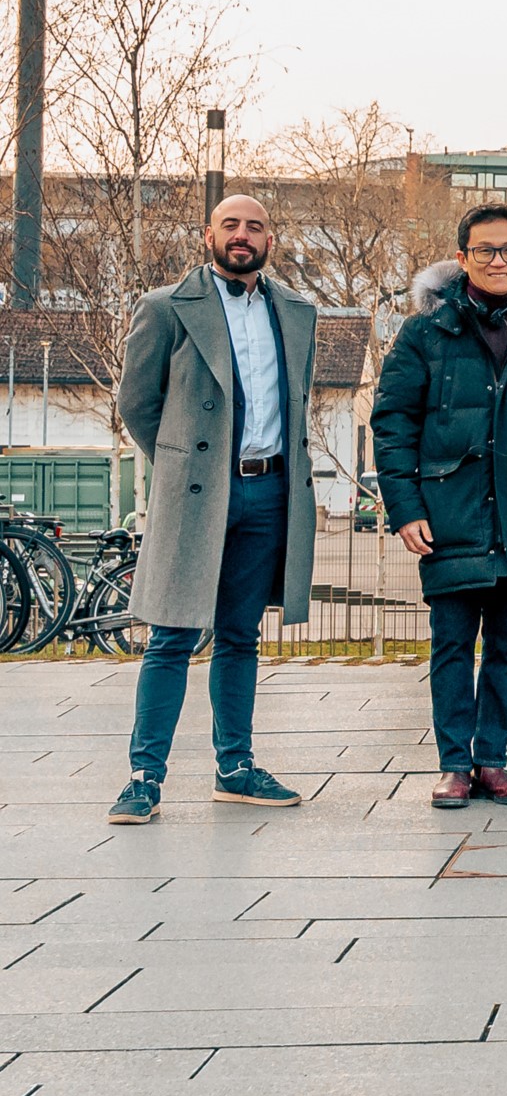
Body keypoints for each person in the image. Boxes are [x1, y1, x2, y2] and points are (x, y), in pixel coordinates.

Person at [105, 195, 322, 827]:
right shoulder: (165, 307)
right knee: (171, 635)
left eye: (255, 226)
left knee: (239, 637)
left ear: (270, 240)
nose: (242, 235)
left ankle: (235, 769)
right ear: (209, 234)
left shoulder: (296, 311)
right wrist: (182, 463)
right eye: (231, 225)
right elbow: (137, 403)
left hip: (269, 492)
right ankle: (144, 779)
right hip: (198, 492)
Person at [374, 206, 507, 808]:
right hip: (450, 513)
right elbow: (393, 425)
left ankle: (492, 762)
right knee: (453, 647)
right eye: (485, 251)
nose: (498, 261)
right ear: (462, 258)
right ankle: (455, 765)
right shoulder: (424, 333)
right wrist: (406, 508)